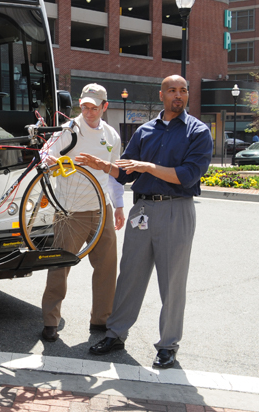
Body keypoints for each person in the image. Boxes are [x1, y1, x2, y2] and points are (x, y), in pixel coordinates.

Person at [81, 75, 212, 369]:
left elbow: (186, 176)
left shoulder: (198, 132)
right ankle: (115, 334)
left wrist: (147, 167)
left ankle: (168, 345)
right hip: (142, 210)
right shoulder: (145, 131)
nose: (178, 95)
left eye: (183, 91)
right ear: (161, 94)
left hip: (176, 210)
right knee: (129, 275)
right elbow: (127, 172)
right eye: (172, 91)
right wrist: (103, 165)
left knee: (172, 282)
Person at [39, 84, 125, 343]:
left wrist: (119, 206)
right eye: (84, 106)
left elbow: (115, 173)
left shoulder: (111, 135)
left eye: (94, 107)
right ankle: (50, 322)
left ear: (104, 107)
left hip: (101, 210)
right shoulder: (69, 130)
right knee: (59, 267)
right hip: (71, 211)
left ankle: (101, 320)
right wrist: (55, 162)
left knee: (107, 268)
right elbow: (45, 154)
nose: (88, 112)